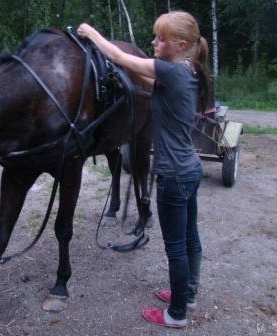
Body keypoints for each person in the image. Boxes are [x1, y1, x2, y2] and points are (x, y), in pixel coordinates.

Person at [77, 10, 210, 329]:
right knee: (191, 238)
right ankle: (188, 294)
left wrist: (92, 34)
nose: (153, 41)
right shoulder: (186, 70)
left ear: (179, 45)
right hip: (189, 170)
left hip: (174, 176)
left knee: (176, 248)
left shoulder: (172, 71)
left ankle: (176, 314)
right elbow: (143, 77)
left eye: (160, 38)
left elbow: (118, 55)